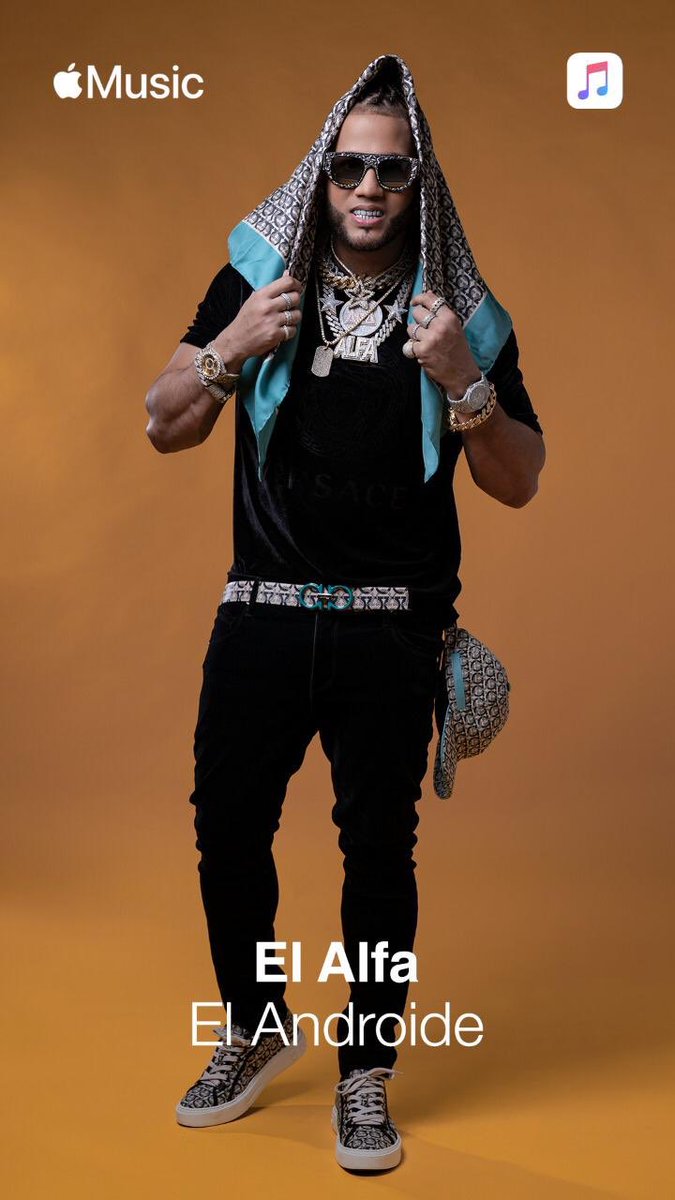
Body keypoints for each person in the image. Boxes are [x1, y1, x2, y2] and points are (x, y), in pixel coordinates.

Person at [144, 54, 545, 1173]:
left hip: (391, 629)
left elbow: (519, 480)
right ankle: (257, 1024)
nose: (369, 188)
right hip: (262, 613)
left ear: (420, 184)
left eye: (392, 170)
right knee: (227, 831)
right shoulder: (254, 285)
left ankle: (365, 1074)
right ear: (321, 177)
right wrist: (231, 349)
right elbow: (162, 423)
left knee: (378, 854)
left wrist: (465, 381)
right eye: (350, 168)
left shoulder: (457, 315)